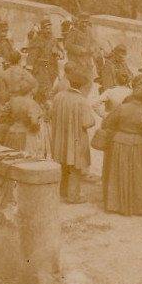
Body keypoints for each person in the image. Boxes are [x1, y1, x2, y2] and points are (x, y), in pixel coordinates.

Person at [102, 77, 142, 216]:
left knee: (118, 172)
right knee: (134, 174)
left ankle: (115, 204)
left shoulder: (122, 108)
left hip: (118, 142)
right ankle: (135, 206)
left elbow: (108, 123)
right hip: (136, 145)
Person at [50, 67, 97, 204]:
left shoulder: (58, 97)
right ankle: (73, 196)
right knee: (75, 166)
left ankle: (62, 191)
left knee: (63, 163)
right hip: (75, 138)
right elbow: (88, 122)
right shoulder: (82, 101)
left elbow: (51, 114)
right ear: (81, 86)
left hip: (60, 137)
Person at [1, 86, 47, 157]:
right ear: (32, 89)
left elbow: (4, 113)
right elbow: (34, 122)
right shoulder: (31, 103)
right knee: (27, 159)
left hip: (12, 133)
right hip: (27, 136)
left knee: (12, 157)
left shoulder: (13, 100)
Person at [63, 15, 99, 97]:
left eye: (86, 22)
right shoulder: (74, 31)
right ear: (78, 21)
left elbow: (94, 41)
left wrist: (93, 47)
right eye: (83, 22)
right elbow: (67, 44)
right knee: (73, 81)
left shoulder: (89, 31)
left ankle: (82, 99)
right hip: (76, 62)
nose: (84, 24)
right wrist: (79, 49)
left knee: (88, 82)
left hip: (87, 62)